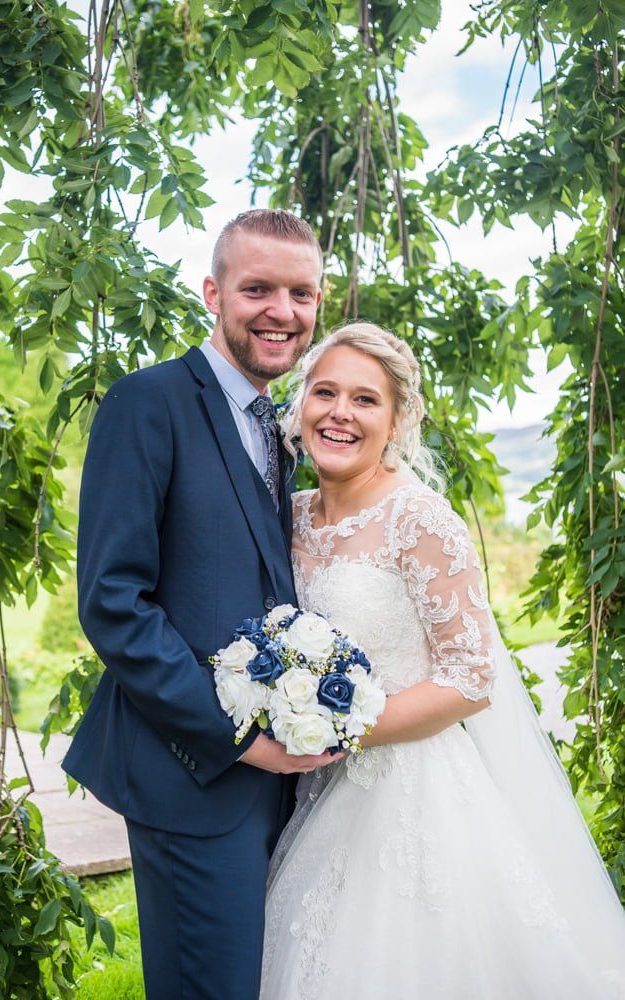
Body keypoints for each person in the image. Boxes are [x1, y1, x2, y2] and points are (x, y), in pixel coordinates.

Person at [260, 322, 625, 1000]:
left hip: (411, 793)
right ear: (299, 403)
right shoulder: (288, 513)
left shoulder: (420, 519)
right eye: (325, 392)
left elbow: (471, 677)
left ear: (398, 421)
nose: (340, 413)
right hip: (308, 789)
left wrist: (340, 728)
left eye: (366, 400)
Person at [62, 209, 337, 1000]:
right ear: (212, 293)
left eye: (301, 292)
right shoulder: (147, 403)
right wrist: (238, 737)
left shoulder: (281, 424)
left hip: (281, 780)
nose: (282, 312)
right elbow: (114, 602)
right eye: (258, 289)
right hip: (192, 773)